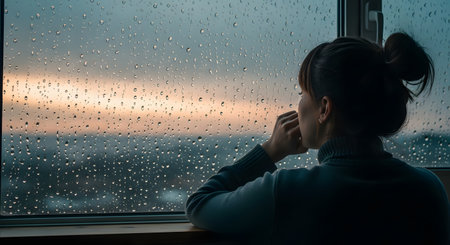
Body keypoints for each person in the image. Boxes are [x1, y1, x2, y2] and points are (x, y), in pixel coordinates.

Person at [185, 33, 449, 244]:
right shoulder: (428, 188)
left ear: (324, 108)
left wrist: (269, 151)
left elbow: (199, 203)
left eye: (303, 92)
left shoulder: (285, 192)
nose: (298, 105)